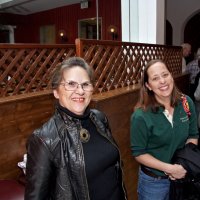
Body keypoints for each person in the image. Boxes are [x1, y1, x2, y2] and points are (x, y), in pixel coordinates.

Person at [25, 57, 127, 200]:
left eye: (85, 84)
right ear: (56, 91)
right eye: (71, 84)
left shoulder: (99, 119)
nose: (80, 91)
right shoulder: (44, 139)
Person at [130, 59, 199, 200]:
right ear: (148, 85)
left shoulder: (186, 103)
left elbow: (193, 135)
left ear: (171, 76)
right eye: (155, 78)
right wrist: (170, 169)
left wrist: (184, 164)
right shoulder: (141, 115)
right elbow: (139, 153)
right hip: (153, 183)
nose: (162, 81)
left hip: (182, 176)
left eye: (165, 75)